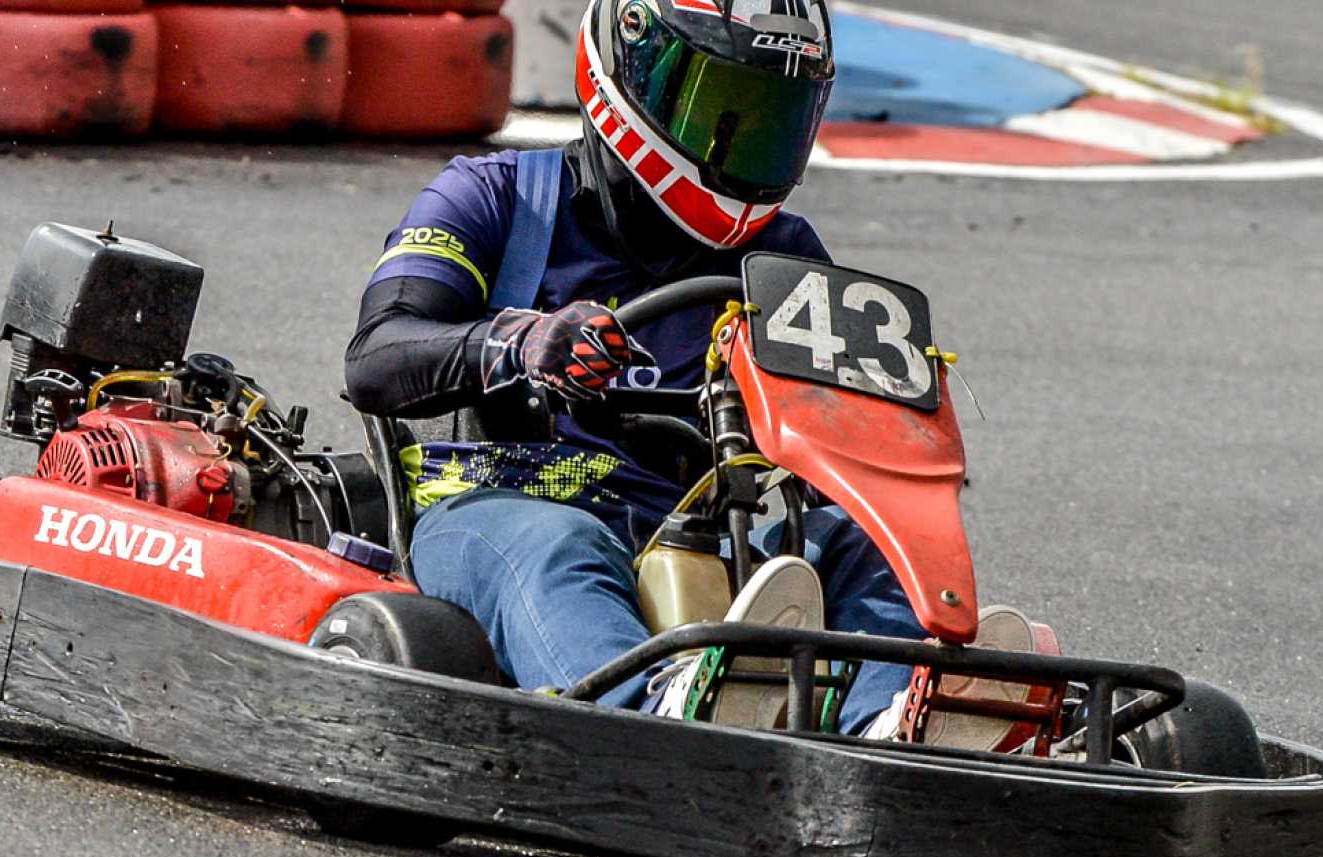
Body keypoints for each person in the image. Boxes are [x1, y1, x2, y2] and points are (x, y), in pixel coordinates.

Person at [344, 0, 1036, 748]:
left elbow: (839, 455)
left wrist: (886, 434)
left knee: (854, 539)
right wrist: (519, 342)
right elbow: (378, 354)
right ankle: (655, 718)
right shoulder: (496, 197)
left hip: (695, 533)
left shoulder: (784, 258)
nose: (744, 143)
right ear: (633, 71)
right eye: (724, 111)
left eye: (770, 117)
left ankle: (887, 724)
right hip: (500, 506)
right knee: (562, 544)